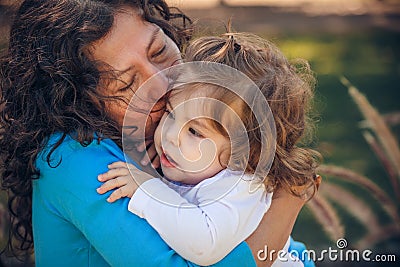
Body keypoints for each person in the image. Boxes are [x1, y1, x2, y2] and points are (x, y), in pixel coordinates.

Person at [0, 0, 315, 266]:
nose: (163, 82)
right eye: (126, 84)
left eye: (160, 50)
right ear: (79, 102)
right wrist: (286, 204)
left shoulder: (174, 134)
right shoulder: (73, 160)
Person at [96, 33, 320, 266]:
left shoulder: (242, 187)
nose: (170, 136)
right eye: (170, 113)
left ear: (246, 153)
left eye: (194, 132)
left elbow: (204, 246)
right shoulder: (200, 172)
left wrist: (147, 191)